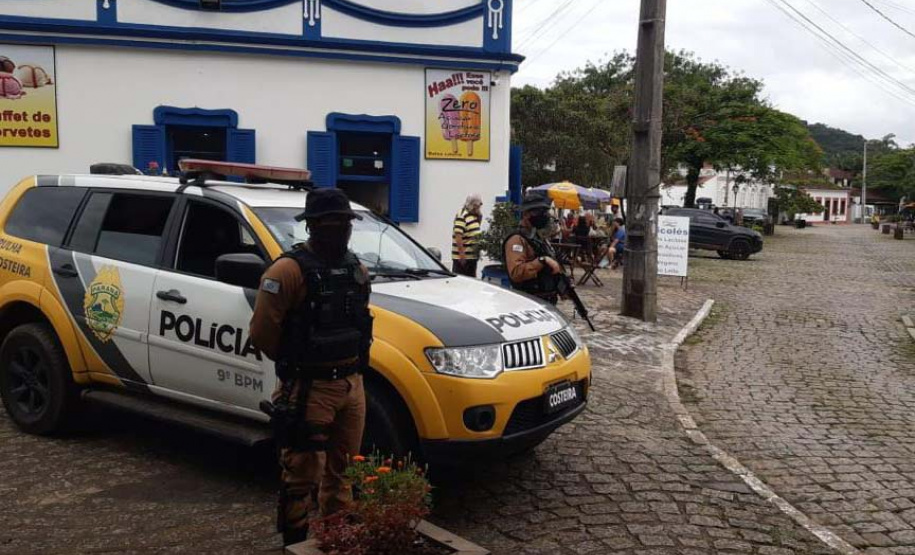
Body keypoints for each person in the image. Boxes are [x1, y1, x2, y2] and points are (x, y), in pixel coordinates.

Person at [249, 188, 373, 547]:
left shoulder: (356, 269)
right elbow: (263, 333)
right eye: (331, 223)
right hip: (309, 386)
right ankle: (296, 543)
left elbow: (361, 322)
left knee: (343, 471)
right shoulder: (288, 271)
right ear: (313, 226)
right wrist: (297, 364)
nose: (340, 230)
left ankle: (335, 541)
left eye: (344, 223)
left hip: (351, 382)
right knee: (301, 473)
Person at [503, 195, 563, 304]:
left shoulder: (538, 237)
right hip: (528, 301)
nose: (543, 216)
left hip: (546, 300)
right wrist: (542, 261)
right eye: (538, 212)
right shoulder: (516, 240)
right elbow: (517, 273)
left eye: (544, 212)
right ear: (526, 214)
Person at [451, 194, 483, 277]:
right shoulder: (462, 215)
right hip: (463, 258)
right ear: (473, 205)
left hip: (472, 257)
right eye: (478, 206)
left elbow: (474, 231)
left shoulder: (473, 215)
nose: (479, 208)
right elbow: (458, 236)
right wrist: (462, 255)